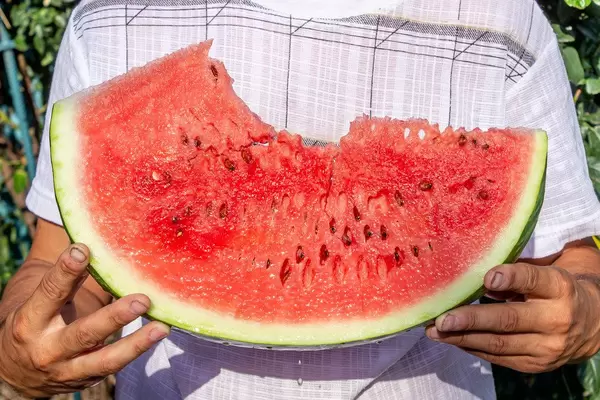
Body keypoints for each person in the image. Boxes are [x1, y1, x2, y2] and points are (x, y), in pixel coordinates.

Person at [2, 0, 600, 399]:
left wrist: (585, 318)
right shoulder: (114, 14)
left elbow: (578, 270)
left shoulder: (501, 21)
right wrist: (21, 352)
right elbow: (57, 266)